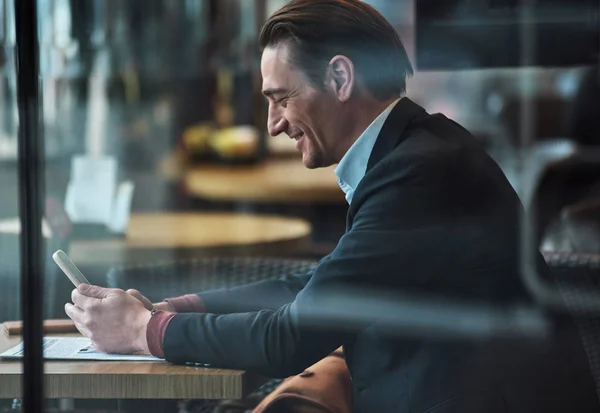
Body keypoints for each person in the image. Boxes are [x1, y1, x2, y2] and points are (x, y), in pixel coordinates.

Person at [65, 1, 599, 412]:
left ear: (341, 78)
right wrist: (178, 309)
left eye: (281, 97)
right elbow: (316, 285)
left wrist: (143, 333)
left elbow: (291, 337)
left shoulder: (420, 171)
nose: (274, 123)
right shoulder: (416, 149)